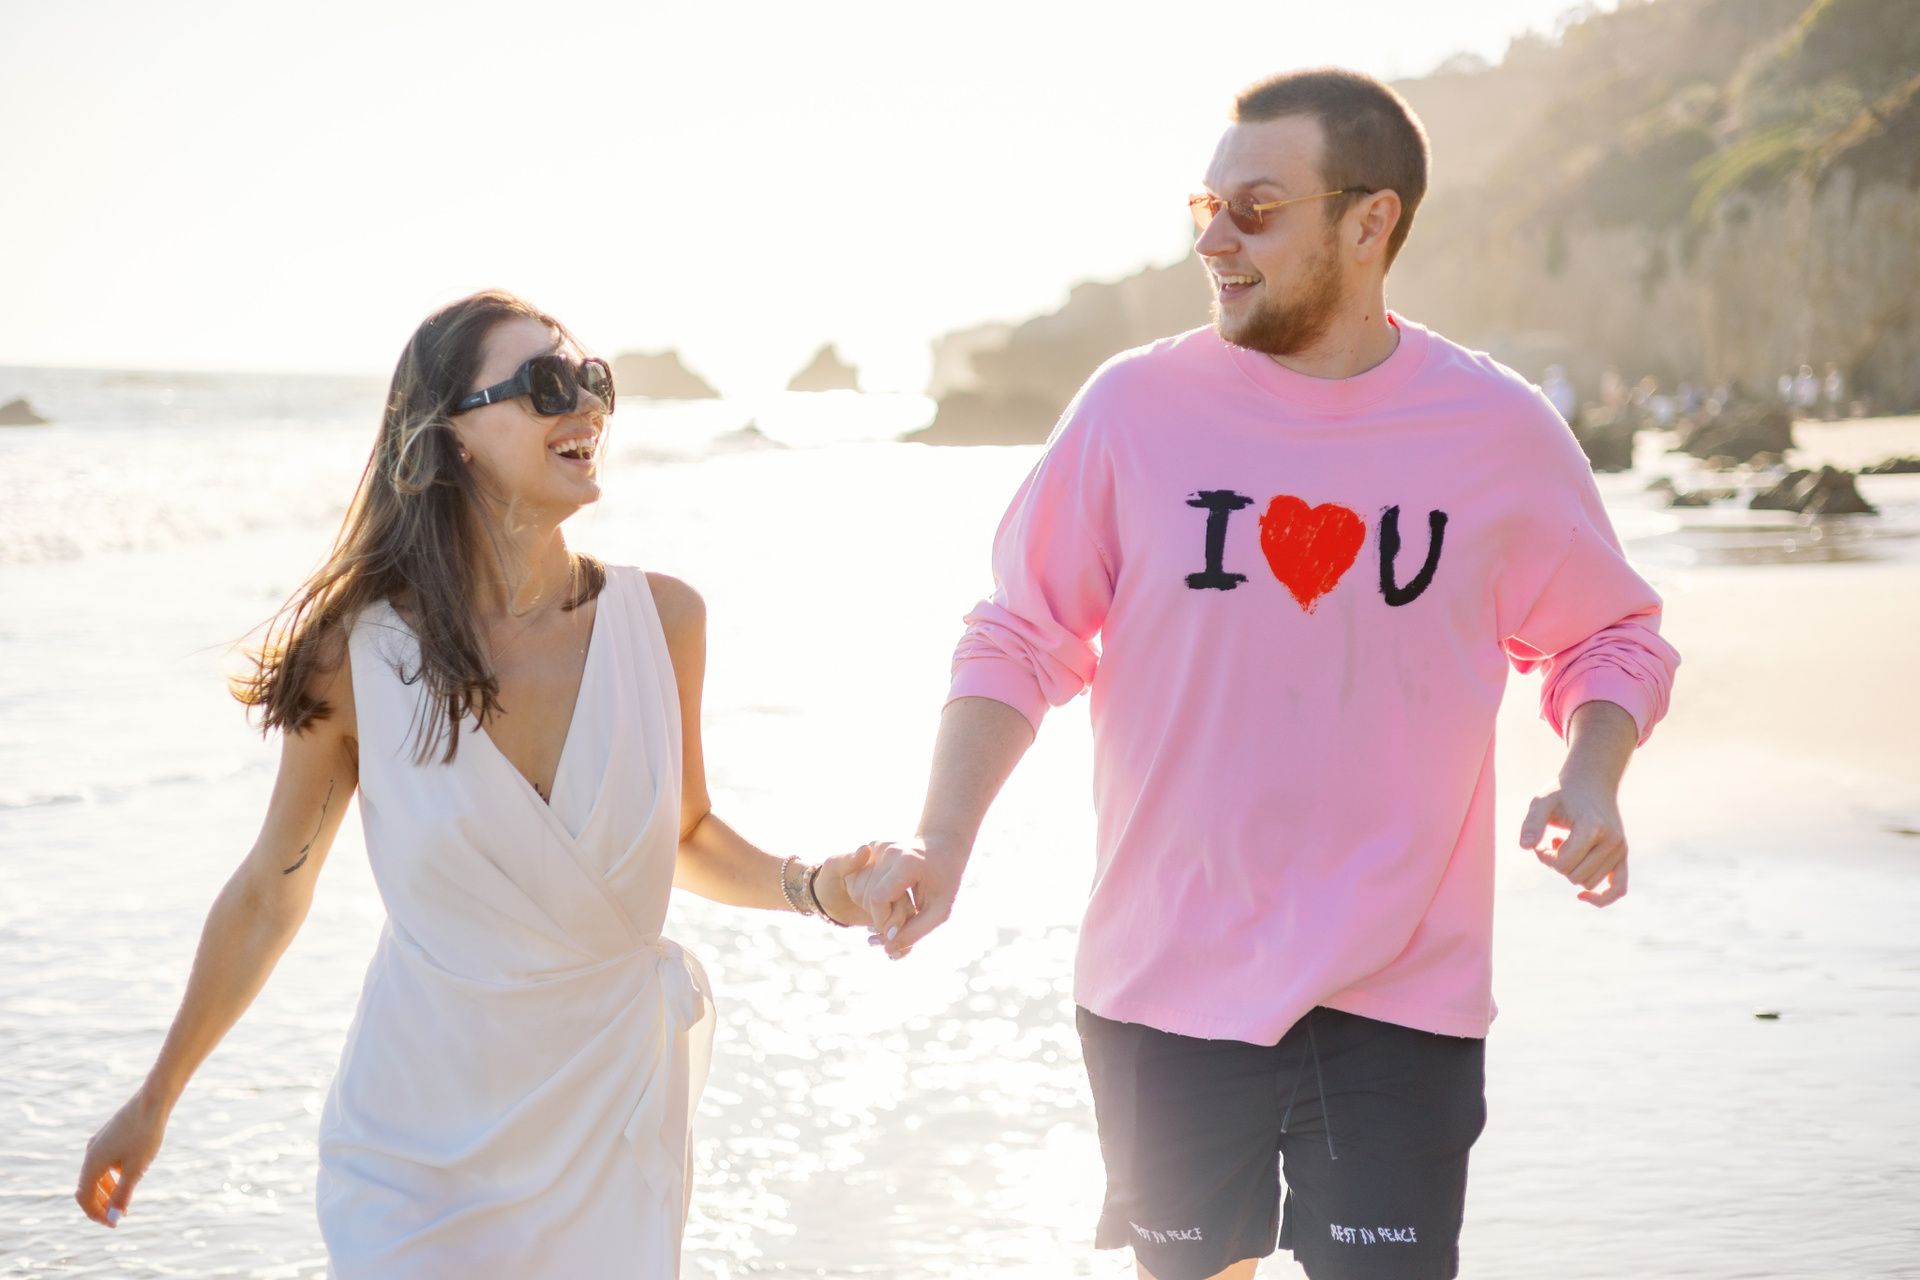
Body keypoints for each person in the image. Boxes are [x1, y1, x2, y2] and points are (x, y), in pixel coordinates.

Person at [853, 69, 1680, 1280]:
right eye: (1207, 206)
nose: (1214, 241)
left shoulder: (1494, 429)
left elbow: (1610, 633)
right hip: (1165, 977)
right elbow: (1022, 633)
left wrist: (1593, 773)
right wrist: (943, 836)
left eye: (1255, 209)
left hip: (1401, 988)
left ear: (1371, 220)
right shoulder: (1133, 409)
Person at [74, 291, 875, 1276]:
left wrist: (820, 888)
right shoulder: (356, 655)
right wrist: (155, 1098)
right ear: (451, 433)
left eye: (591, 379)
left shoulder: (665, 622)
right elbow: (270, 893)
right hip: (417, 1154)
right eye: (546, 384)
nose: (586, 405)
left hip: (605, 1132)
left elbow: (684, 832)